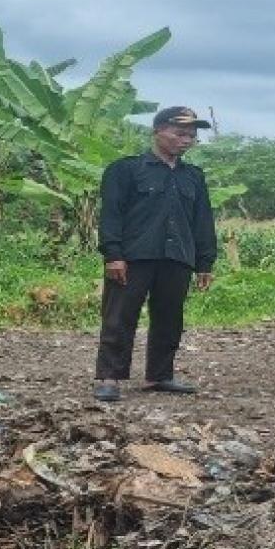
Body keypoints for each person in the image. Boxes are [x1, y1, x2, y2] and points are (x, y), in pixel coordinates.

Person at [93, 106, 219, 402]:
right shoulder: (125, 170)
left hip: (177, 256)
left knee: (169, 318)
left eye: (191, 136)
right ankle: (109, 377)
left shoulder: (193, 177)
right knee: (119, 316)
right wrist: (113, 254)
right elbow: (111, 215)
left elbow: (203, 220)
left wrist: (205, 262)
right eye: (179, 133)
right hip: (133, 256)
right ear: (158, 131)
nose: (186, 140)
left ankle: (159, 375)